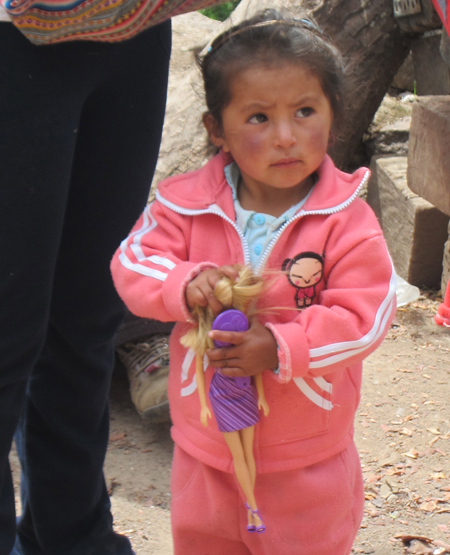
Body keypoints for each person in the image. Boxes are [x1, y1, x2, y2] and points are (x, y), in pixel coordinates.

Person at [111, 9, 397, 555]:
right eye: (259, 118)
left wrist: (283, 346)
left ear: (333, 115)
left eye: (305, 111)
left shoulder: (346, 219)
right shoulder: (184, 206)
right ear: (216, 129)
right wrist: (185, 281)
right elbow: (133, 261)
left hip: (307, 459)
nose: (286, 136)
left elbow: (366, 316)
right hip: (204, 453)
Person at [0, 11, 171, 555]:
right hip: (12, 36)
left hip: (134, 22)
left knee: (88, 316)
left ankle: (74, 539)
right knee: (7, 330)